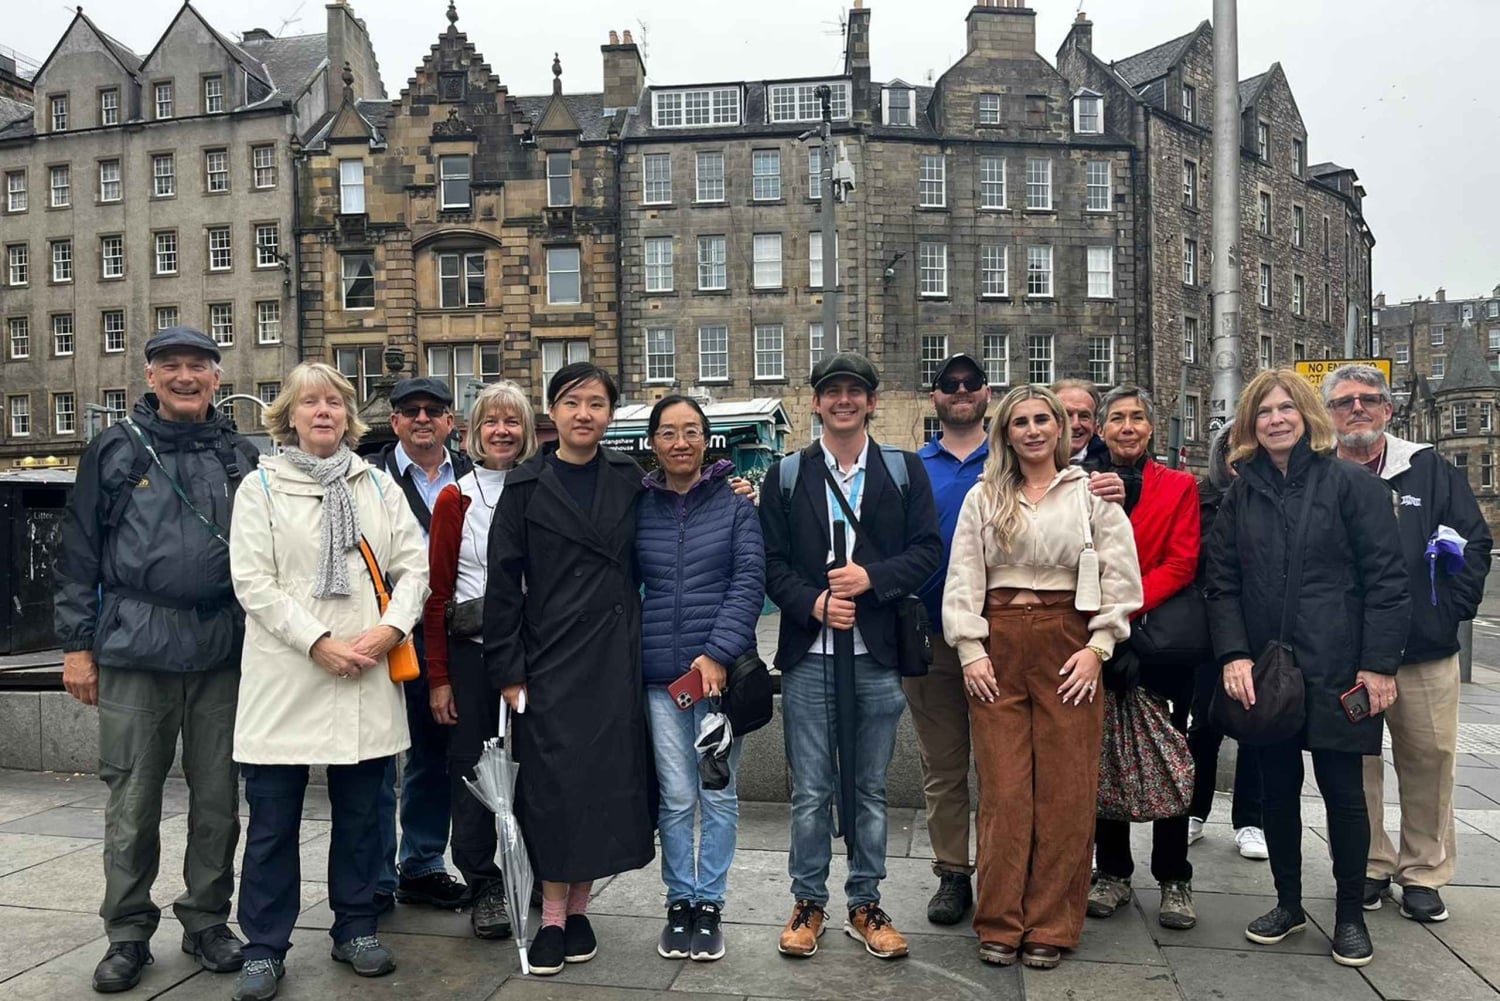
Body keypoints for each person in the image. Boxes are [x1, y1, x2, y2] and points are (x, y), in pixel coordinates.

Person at [55, 327, 258, 993]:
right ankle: (127, 931)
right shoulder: (114, 449)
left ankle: (207, 919)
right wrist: (77, 646)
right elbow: (78, 552)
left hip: (220, 649)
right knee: (133, 800)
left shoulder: (239, 453)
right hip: (135, 647)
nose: (184, 376)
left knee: (219, 800)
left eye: (198, 365)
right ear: (149, 376)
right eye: (171, 365)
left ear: (217, 378)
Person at [229, 362, 429, 1000]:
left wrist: (390, 630)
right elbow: (252, 582)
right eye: (310, 402)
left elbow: (415, 567)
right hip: (287, 674)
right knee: (272, 823)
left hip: (365, 668)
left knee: (363, 815)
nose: (324, 412)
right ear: (288, 416)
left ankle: (356, 926)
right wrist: (317, 642)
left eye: (335, 403)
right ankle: (265, 946)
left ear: (349, 417)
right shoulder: (260, 487)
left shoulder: (377, 485)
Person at [1204, 368, 1409, 968]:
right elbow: (1222, 584)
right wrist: (1233, 654)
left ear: (1306, 415)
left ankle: (1349, 915)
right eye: (1264, 411)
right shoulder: (1241, 494)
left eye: (1286, 408)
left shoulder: (1352, 485)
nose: (1275, 420)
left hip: (1339, 665)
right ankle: (1288, 903)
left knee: (1344, 794)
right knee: (1276, 790)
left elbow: (1387, 582)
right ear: (1250, 423)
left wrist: (1378, 666)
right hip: (1266, 668)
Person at [944, 384, 1142, 971]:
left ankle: (1052, 923)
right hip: (999, 642)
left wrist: (1098, 648)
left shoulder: (1092, 495)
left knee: (1066, 792)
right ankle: (1000, 921)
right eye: (1020, 422)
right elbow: (963, 575)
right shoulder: (984, 495)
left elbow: (1121, 579)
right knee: (1004, 792)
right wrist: (971, 650)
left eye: (1042, 420)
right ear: (1005, 433)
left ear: (1061, 428)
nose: (1032, 430)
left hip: (1067, 642)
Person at [760, 352, 942, 961]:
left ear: (871, 402)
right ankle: (807, 901)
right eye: (832, 391)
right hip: (811, 657)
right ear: (816, 403)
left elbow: (927, 551)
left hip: (877, 655)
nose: (843, 400)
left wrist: (872, 579)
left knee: (869, 788)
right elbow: (771, 563)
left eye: (854, 391)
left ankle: (865, 902)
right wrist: (814, 603)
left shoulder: (903, 470)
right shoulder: (788, 475)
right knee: (811, 789)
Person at [483, 362, 655, 976]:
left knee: (602, 785)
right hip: (549, 658)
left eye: (597, 403)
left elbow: (669, 535)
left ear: (611, 413)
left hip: (613, 655)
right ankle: (552, 916)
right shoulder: (525, 485)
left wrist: (731, 490)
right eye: (573, 402)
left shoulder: (630, 477)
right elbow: (503, 584)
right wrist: (508, 668)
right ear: (552, 411)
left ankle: (579, 909)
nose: (585, 413)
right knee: (553, 788)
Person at [1323, 365, 1493, 923]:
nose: (1357, 409)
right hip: (1345, 653)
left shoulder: (1429, 469)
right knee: (1357, 767)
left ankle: (1423, 872)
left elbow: (1473, 543)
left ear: (1388, 410)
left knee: (1429, 762)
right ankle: (1368, 864)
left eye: (1368, 399)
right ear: (1329, 414)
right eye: (1344, 401)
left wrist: (1448, 614)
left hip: (1423, 651)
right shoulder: (1319, 473)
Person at [637, 395, 766, 963]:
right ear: (653, 443)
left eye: (691, 431)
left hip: (719, 681)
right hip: (661, 679)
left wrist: (716, 654)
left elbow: (749, 581)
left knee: (717, 793)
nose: (680, 443)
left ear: (707, 439)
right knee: (675, 796)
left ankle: (709, 903)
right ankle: (679, 901)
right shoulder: (639, 506)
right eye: (668, 432)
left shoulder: (736, 505)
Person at [422, 381, 539, 940]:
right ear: (473, 431)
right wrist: (439, 677)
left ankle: (541, 868)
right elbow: (438, 594)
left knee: (538, 764)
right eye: (491, 421)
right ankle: (483, 881)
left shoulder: (542, 487)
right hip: (473, 652)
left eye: (512, 421)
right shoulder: (456, 498)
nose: (501, 431)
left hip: (536, 651)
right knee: (472, 768)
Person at [1084, 387, 1202, 930]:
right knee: (1105, 755)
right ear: (1101, 430)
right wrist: (1106, 623)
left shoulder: (1179, 486)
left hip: (1159, 641)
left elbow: (1181, 561)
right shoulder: (1083, 484)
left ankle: (1174, 876)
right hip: (1098, 639)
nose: (1127, 427)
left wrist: (1124, 612)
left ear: (1152, 428)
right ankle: (1112, 871)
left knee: (1169, 756)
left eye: (1137, 418)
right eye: (1117, 419)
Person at [374, 377, 471, 913]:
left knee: (433, 754)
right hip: (384, 633)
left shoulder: (474, 476)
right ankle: (372, 874)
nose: (422, 419)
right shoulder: (370, 478)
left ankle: (422, 863)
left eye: (433, 409)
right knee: (374, 760)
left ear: (450, 421)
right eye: (410, 410)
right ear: (395, 422)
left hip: (453, 634)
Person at [910, 354, 990, 926]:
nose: (960, 391)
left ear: (986, 393)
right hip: (931, 638)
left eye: (970, 383)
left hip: (998, 637)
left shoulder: (1010, 460)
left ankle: (1004, 868)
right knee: (943, 767)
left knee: (1003, 766)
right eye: (949, 384)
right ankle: (953, 873)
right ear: (935, 396)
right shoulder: (913, 468)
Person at [1185, 424, 1267, 859]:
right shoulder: (1199, 498)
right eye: (1233, 450)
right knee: (1205, 724)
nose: (1240, 459)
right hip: (1208, 626)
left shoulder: (1273, 497)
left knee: (1256, 725)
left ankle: (1251, 820)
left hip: (1261, 628)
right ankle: (1194, 810)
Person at [1052, 379, 1111, 468]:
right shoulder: (1030, 461)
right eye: (1067, 415)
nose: (1075, 425)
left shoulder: (1112, 466)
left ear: (1095, 424)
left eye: (1084, 416)